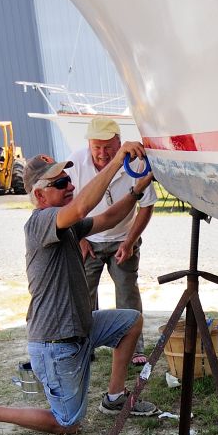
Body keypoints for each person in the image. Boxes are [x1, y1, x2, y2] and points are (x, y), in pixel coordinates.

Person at [0, 145, 159, 435]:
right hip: (56, 343)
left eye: (69, 180)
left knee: (131, 322)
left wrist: (136, 190)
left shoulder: (64, 225)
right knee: (68, 424)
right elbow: (79, 209)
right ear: (39, 196)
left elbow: (106, 219)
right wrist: (118, 161)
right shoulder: (40, 222)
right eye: (61, 183)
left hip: (81, 327)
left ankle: (115, 397)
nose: (71, 186)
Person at [71, 116, 156, 366]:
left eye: (108, 147)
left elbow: (147, 205)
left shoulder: (134, 163)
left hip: (123, 238)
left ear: (119, 143)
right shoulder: (76, 161)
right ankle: (84, 345)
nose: (102, 153)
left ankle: (133, 348)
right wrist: (81, 238)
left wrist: (130, 241)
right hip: (89, 238)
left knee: (127, 292)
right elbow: (69, 203)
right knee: (83, 295)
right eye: (96, 147)